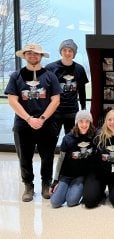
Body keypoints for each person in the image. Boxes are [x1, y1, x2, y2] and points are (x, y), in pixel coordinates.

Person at [4, 43, 62, 202]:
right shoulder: (16, 76)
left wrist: (42, 119)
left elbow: (55, 100)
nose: (33, 56)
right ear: (25, 56)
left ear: (41, 56)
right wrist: (29, 119)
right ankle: (28, 186)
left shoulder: (50, 76)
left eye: (36, 53)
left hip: (47, 125)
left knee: (47, 156)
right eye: (29, 53)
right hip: (23, 125)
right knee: (24, 157)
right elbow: (12, 100)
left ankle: (46, 184)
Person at [82, 109, 114, 208]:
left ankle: (112, 189)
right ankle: (100, 188)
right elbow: (80, 135)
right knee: (89, 202)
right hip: (98, 174)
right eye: (109, 119)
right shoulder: (98, 135)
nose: (112, 122)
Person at [49, 110, 96, 208]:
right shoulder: (67, 139)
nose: (84, 124)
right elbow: (60, 160)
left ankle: (75, 190)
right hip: (66, 175)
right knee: (55, 202)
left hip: (80, 176)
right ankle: (65, 188)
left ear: (90, 123)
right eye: (81, 121)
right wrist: (55, 181)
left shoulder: (94, 136)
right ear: (76, 123)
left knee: (72, 201)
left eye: (87, 121)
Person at [46, 39, 89, 135]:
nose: (67, 53)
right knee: (51, 138)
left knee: (71, 139)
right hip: (54, 111)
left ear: (74, 53)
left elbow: (82, 91)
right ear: (60, 51)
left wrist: (83, 108)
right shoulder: (50, 68)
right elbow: (47, 91)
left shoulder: (79, 69)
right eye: (64, 50)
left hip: (72, 111)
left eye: (70, 51)